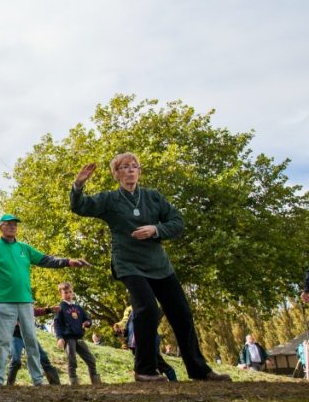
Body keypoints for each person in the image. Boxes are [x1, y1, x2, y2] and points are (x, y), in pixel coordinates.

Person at [71, 154, 231, 382]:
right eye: (124, 167)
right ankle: (145, 370)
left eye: (134, 166)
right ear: (116, 174)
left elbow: (177, 222)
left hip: (159, 265)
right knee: (146, 308)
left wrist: (155, 230)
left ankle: (200, 371)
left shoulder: (153, 197)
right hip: (129, 264)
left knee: (182, 314)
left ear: (139, 171)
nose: (130, 170)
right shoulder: (109, 200)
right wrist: (78, 185)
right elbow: (80, 206)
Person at [0, 214, 90, 387]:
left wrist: (69, 262)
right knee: (2, 341)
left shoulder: (25, 248)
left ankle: (37, 379)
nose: (12, 227)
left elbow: (47, 260)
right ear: (0, 227)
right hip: (4, 303)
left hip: (25, 303)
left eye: (15, 224)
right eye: (8, 224)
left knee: (31, 340)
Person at [51, 282, 101, 385]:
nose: (68, 294)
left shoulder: (78, 308)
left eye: (70, 292)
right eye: (65, 292)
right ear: (60, 293)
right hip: (68, 338)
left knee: (91, 359)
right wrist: (59, 337)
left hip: (79, 337)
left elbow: (87, 319)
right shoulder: (60, 308)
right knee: (72, 360)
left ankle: (96, 382)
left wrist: (87, 323)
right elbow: (57, 324)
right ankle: (74, 382)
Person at [120, 306, 177, 382]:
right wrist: (124, 332)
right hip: (135, 341)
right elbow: (127, 324)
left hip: (145, 340)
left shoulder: (150, 307)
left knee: (157, 361)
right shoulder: (134, 309)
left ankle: (171, 376)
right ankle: (149, 378)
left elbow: (154, 322)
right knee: (143, 362)